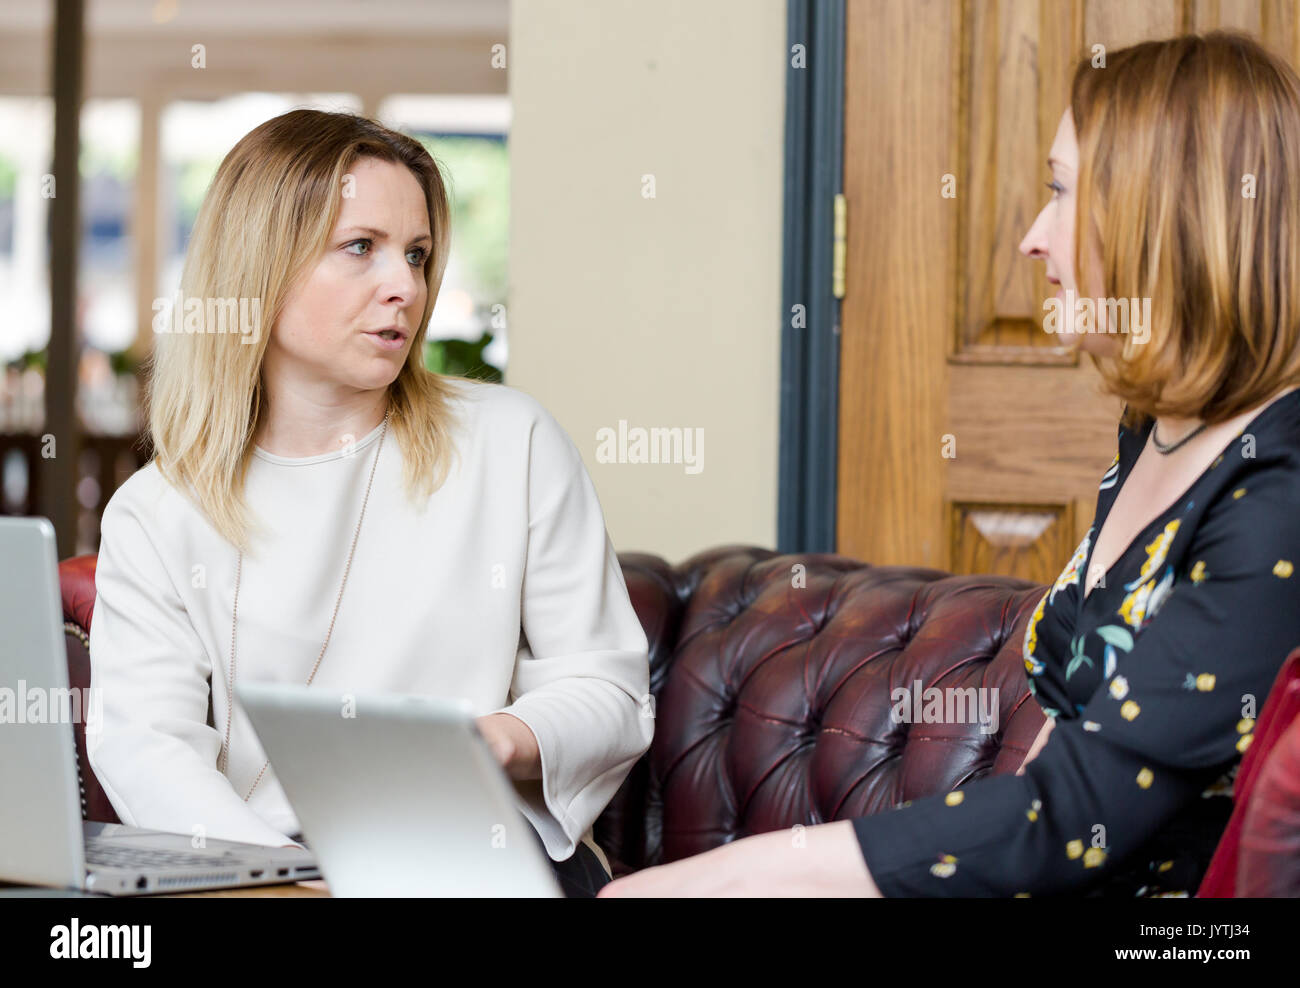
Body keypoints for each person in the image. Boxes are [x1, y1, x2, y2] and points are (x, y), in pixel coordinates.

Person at [600, 31, 1300, 897]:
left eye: (1061, 193)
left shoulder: (1278, 493)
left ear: (1169, 214)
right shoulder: (1156, 427)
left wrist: (707, 882)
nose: (1032, 240)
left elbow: (1066, 817)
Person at [85, 109, 652, 898]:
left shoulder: (510, 440)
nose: (406, 286)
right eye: (362, 248)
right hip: (262, 875)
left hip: (479, 862)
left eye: (417, 255)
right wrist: (298, 881)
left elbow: (611, 694)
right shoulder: (156, 512)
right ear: (259, 265)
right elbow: (149, 750)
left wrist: (500, 740)